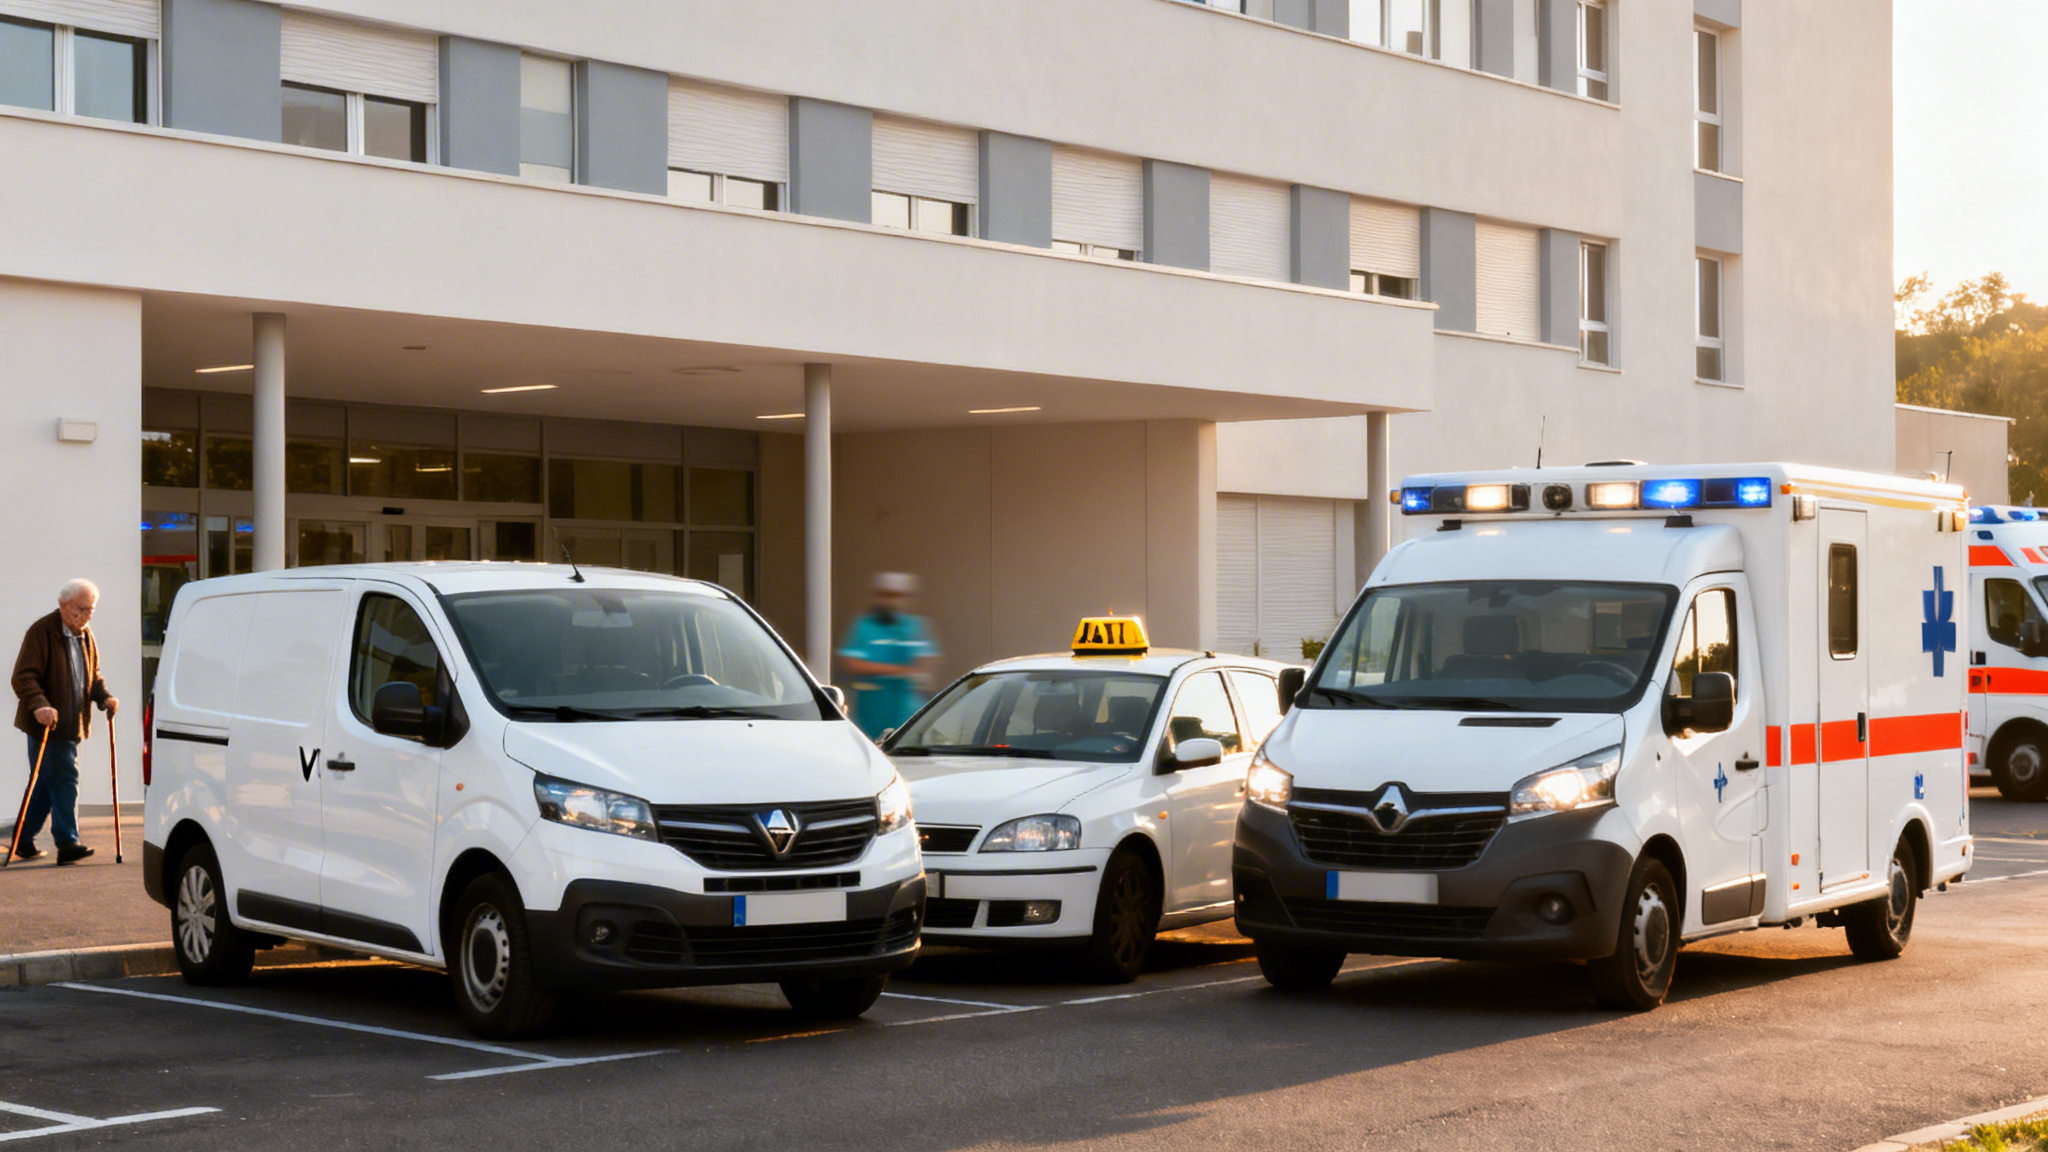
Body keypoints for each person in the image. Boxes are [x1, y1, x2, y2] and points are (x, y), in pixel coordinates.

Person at [10, 579, 116, 864]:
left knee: (45, 784)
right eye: (81, 609)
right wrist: (40, 705)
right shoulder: (42, 632)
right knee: (65, 777)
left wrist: (104, 696)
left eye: (90, 610)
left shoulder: (86, 636)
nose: (85, 615)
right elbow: (23, 677)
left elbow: (92, 676)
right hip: (46, 726)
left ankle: (22, 838)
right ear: (64, 605)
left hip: (71, 724)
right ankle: (68, 841)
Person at [838, 573, 939, 741]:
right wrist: (904, 670)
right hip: (871, 712)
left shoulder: (914, 626)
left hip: (908, 711)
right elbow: (853, 664)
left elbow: (927, 662)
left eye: (898, 595)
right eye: (887, 595)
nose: (892, 601)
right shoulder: (864, 626)